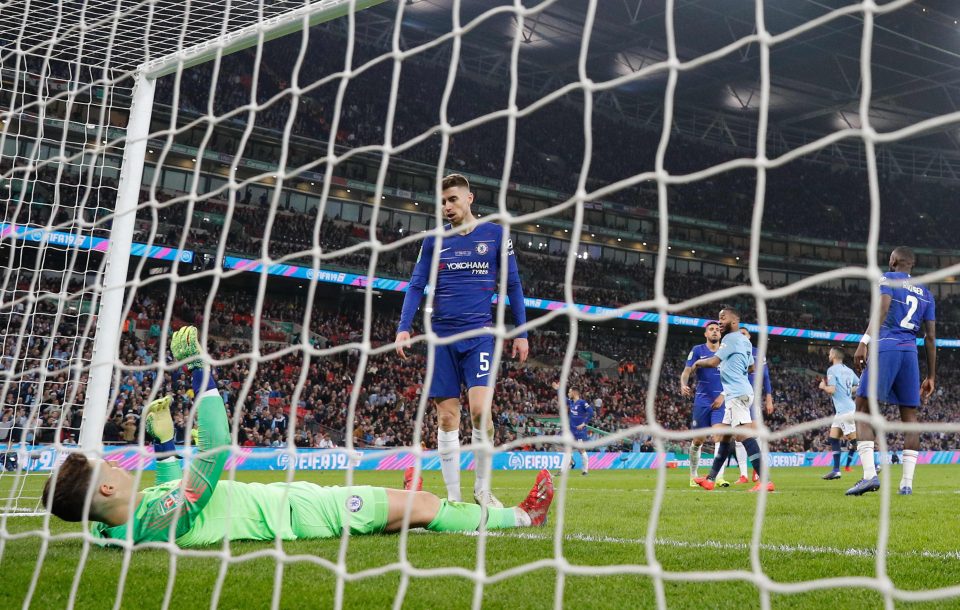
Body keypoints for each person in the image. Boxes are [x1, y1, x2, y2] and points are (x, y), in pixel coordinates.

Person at [41, 327, 554, 547]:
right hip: (302, 516)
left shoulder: (117, 526)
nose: (113, 463)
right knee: (422, 503)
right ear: (106, 489)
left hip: (290, 505)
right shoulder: (155, 519)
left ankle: (499, 515)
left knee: (408, 514)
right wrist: (200, 369)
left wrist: (166, 446)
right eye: (105, 466)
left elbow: (171, 485)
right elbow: (218, 449)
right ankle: (521, 516)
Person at [395, 174, 529, 508]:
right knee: (446, 419)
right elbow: (415, 285)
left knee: (481, 411)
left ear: (470, 199)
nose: (446, 207)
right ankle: (454, 498)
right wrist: (404, 326)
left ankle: (482, 489)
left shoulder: (496, 235)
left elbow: (513, 285)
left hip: (479, 335)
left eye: (452, 199)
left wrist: (521, 332)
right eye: (442, 201)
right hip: (441, 337)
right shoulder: (434, 240)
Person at [846, 247, 936, 497]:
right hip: (910, 355)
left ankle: (868, 477)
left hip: (886, 348)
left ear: (894, 261)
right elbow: (930, 338)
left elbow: (883, 308)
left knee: (862, 410)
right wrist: (931, 376)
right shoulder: (927, 293)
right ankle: (906, 484)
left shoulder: (887, 278)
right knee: (910, 419)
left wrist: (863, 342)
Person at [691, 307, 774, 493]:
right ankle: (711, 479)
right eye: (718, 318)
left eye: (723, 318)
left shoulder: (729, 338)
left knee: (743, 435)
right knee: (725, 438)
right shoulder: (744, 341)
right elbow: (752, 367)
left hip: (737, 393)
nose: (719, 321)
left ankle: (765, 480)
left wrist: (697, 363)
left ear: (734, 322)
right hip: (737, 392)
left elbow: (713, 362)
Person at [679, 321, 733, 488]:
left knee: (720, 437)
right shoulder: (697, 350)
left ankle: (717, 476)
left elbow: (733, 377)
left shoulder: (727, 351)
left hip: (721, 401)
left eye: (717, 329)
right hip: (702, 401)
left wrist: (724, 395)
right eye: (711, 329)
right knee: (698, 441)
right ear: (706, 334)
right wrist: (683, 384)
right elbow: (687, 371)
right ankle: (693, 476)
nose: (715, 332)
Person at [818, 347, 859, 480]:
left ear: (834, 355)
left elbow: (832, 390)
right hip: (847, 406)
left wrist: (823, 387)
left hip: (844, 410)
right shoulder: (849, 370)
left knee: (853, 440)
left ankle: (874, 465)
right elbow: (858, 385)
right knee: (833, 437)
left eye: (830, 353)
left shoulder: (832, 370)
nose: (828, 355)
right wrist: (847, 391)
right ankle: (836, 470)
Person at [558, 387, 592, 476]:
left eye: (569, 392)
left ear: (574, 393)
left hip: (580, 432)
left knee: (581, 451)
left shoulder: (582, 403)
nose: (568, 394)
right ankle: (563, 471)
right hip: (571, 432)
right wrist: (558, 389)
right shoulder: (571, 402)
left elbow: (591, 412)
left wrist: (584, 423)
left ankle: (585, 471)